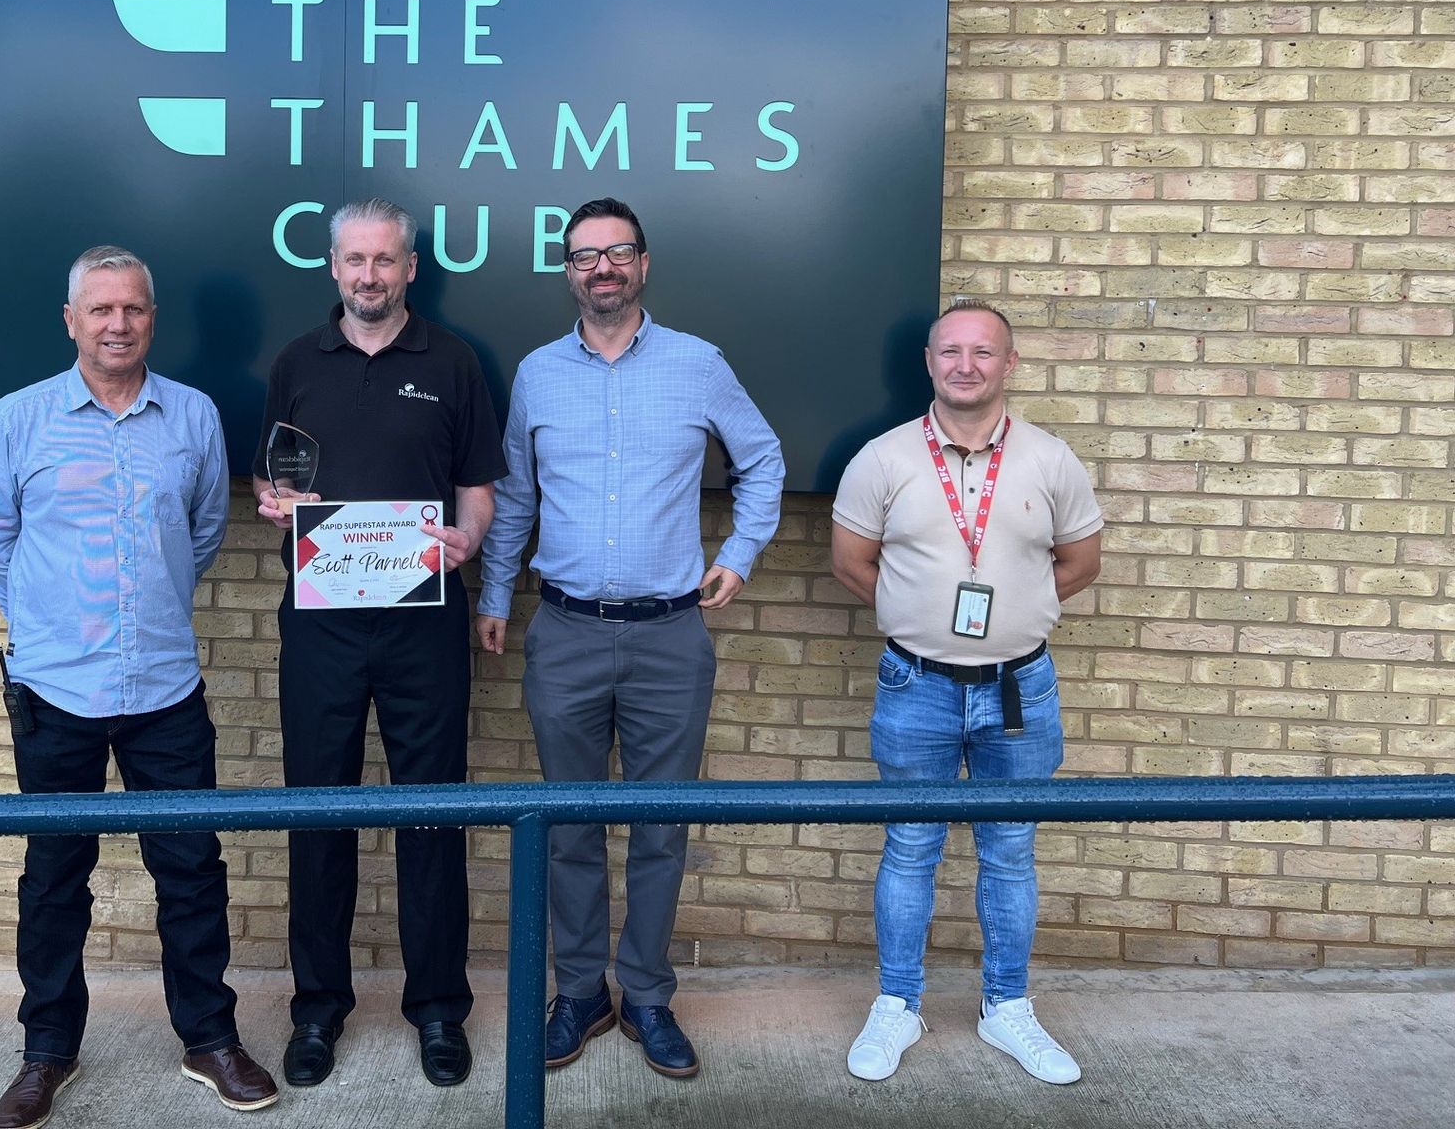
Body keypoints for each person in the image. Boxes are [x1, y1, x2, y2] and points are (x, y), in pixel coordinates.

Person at [473, 197, 784, 1079]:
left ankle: (646, 993)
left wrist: (742, 552)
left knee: (660, 824)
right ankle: (579, 992)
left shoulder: (698, 365)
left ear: (644, 264)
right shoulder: (537, 373)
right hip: (565, 630)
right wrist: (497, 591)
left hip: (669, 636)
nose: (600, 269)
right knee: (566, 825)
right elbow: (518, 498)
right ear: (567, 272)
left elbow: (762, 461)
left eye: (617, 253)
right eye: (583, 257)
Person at [0, 246, 278, 1126]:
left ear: (152, 318)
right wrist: (52, 624)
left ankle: (210, 1040)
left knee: (190, 870)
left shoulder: (192, 417)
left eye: (133, 310)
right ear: (71, 321)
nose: (117, 324)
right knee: (55, 876)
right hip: (55, 690)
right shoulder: (19, 419)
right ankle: (46, 1051)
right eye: (99, 310)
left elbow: (204, 529)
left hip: (164, 686)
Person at [252, 198, 506, 1089]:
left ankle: (438, 1010)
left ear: (409, 268)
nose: (369, 275)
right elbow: (275, 477)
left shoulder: (453, 362)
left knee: (432, 815)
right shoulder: (296, 363)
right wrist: (272, 503)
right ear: (333, 268)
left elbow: (477, 485)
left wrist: (467, 538)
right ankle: (317, 1010)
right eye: (354, 260)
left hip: (423, 624)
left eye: (385, 260)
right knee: (316, 815)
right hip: (320, 626)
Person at [830, 299, 1103, 1087]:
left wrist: (1016, 611)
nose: (966, 365)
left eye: (983, 352)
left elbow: (1080, 564)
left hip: (1019, 688)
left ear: (1008, 364)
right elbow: (853, 563)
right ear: (929, 362)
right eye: (951, 351)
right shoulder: (883, 459)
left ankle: (1007, 1007)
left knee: (1011, 853)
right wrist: (920, 615)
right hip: (915, 683)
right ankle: (897, 1003)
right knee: (910, 846)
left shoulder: (1051, 460)